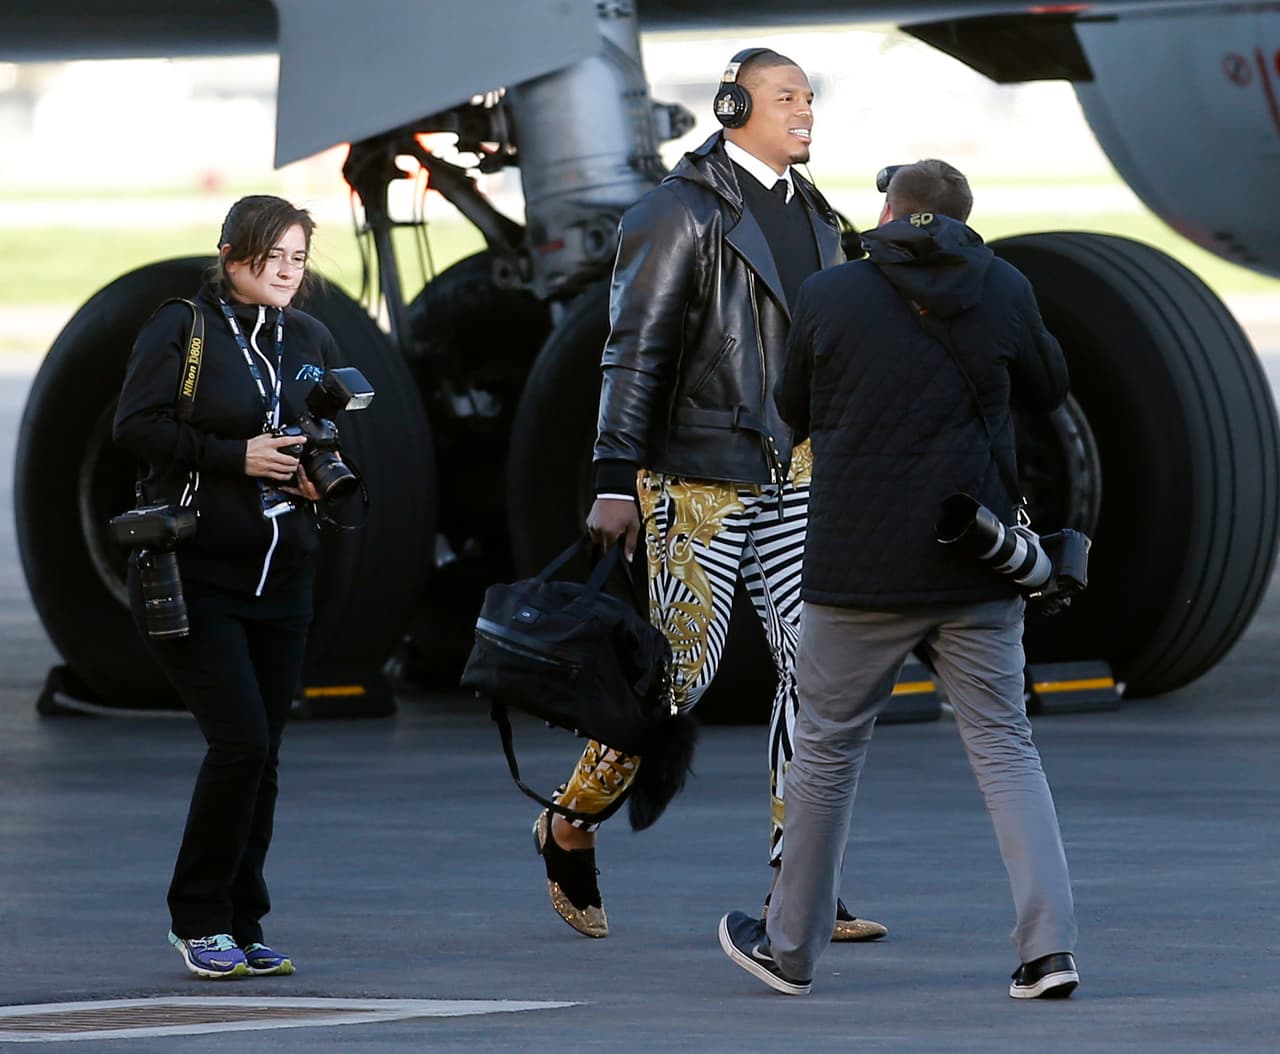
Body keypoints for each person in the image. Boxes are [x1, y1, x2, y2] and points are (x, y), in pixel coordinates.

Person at [532, 47, 885, 944]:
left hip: (796, 473)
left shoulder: (821, 215)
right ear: (733, 107)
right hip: (697, 477)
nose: (804, 109)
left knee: (819, 672)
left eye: (810, 95)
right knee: (677, 679)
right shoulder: (677, 213)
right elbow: (633, 349)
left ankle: (798, 883)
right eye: (784, 96)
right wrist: (616, 477)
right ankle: (570, 821)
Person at [718, 160, 1079, 998]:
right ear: (963, 218)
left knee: (827, 752)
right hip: (975, 558)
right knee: (1005, 750)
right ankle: (1048, 951)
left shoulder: (832, 294)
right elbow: (1051, 386)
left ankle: (792, 952)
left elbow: (793, 407)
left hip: (858, 568)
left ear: (890, 211)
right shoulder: (1004, 286)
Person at [113, 195, 339, 979]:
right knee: (239, 742)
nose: (284, 270)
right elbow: (135, 427)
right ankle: (198, 918)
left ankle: (243, 922)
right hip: (197, 574)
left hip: (284, 577)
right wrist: (231, 456)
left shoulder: (307, 337)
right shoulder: (182, 327)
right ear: (229, 252)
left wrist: (313, 478)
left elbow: (327, 434)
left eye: (297, 258)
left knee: (264, 753)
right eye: (269, 254)